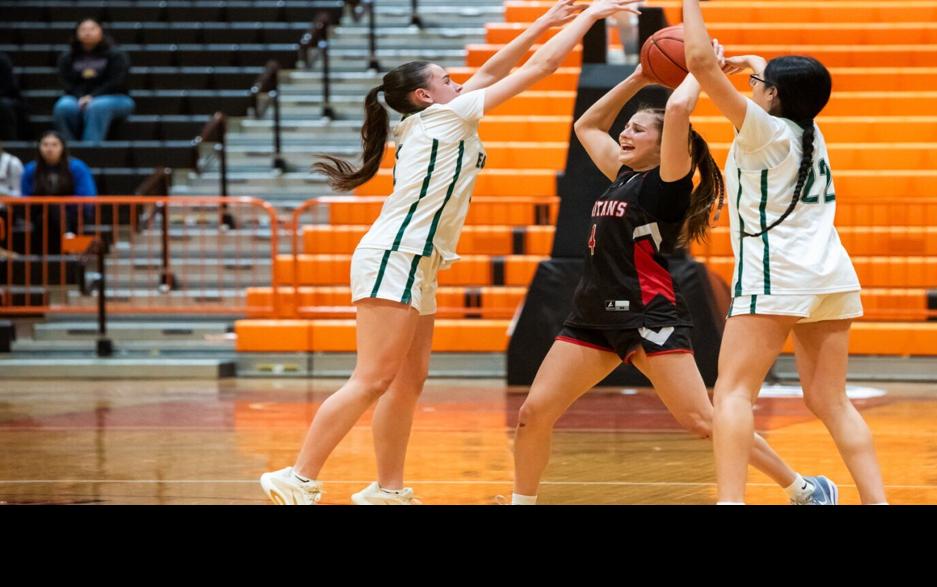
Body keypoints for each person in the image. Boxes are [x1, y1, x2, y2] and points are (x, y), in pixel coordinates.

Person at [259, 0, 642, 505]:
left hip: (420, 260)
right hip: (397, 253)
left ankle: (387, 490)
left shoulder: (438, 115)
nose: (458, 82)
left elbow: (491, 69)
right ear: (425, 95)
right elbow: (541, 68)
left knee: (408, 382)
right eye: (446, 78)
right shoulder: (447, 116)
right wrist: (590, 17)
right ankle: (297, 475)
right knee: (372, 379)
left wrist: (544, 22)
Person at [508, 55, 837, 505]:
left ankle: (804, 488)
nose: (624, 134)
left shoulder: (668, 183)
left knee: (703, 421)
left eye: (637, 130)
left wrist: (699, 70)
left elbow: (680, 109)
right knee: (532, 413)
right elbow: (586, 125)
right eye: (626, 128)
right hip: (592, 316)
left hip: (648, 315)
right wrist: (637, 77)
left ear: (666, 145)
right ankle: (522, 502)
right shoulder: (622, 175)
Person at [680, 0, 887, 504]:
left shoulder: (764, 132)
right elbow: (775, 84)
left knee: (732, 393)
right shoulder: (810, 130)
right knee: (831, 400)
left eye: (761, 84)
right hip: (831, 274)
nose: (753, 87)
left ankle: (731, 501)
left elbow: (700, 62)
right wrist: (753, 63)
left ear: (772, 95)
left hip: (777, 275)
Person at [53, 19, 135, 143]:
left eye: (92, 29)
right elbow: (67, 83)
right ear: (76, 33)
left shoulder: (117, 55)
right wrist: (81, 97)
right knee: (63, 106)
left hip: (116, 98)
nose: (88, 32)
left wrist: (92, 97)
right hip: (77, 98)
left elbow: (116, 82)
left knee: (97, 106)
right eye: (83, 29)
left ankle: (89, 148)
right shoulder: (67, 57)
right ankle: (70, 149)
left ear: (101, 32)